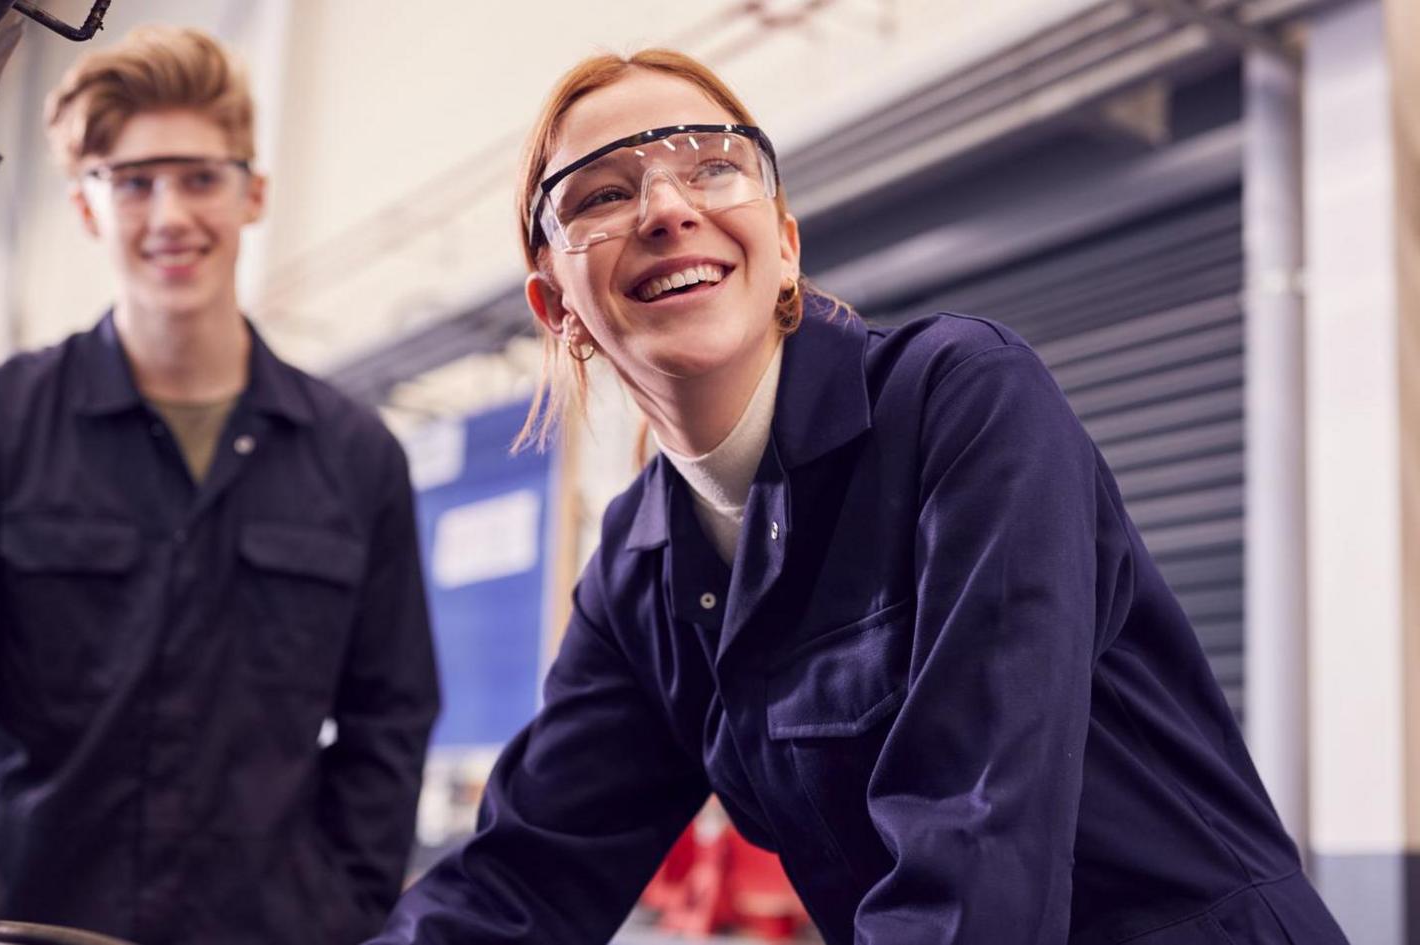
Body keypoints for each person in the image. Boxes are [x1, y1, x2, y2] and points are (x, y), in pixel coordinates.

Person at [366, 49, 1347, 945]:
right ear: (557, 306)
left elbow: (978, 838)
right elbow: (522, 878)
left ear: (784, 244)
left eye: (713, 165)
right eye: (601, 194)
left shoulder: (961, 400)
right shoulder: (641, 574)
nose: (666, 208)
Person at [0, 26, 439, 945]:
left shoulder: (357, 458)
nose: (169, 216)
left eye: (201, 177)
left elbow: (388, 714)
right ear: (86, 207)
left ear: (252, 194)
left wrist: (345, 903)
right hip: (20, 921)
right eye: (133, 182)